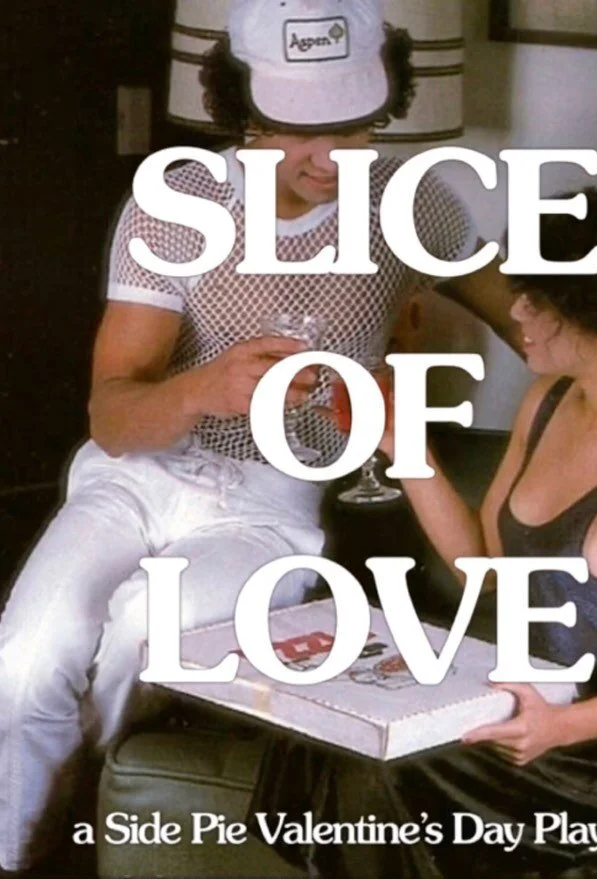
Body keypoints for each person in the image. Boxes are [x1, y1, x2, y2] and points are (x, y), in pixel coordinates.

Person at [0, 0, 519, 871]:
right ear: (244, 108)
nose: (332, 157)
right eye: (300, 128)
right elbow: (112, 418)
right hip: (137, 476)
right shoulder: (180, 205)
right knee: (26, 657)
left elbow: (535, 320)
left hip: (269, 509)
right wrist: (206, 387)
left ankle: (54, 834)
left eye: (353, 125)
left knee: (138, 632)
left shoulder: (411, 202)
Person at [249, 188, 597, 878]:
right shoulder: (549, 399)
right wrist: (403, 444)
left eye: (535, 297)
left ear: (595, 309)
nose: (516, 311)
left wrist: (560, 727)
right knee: (324, 732)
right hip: (528, 699)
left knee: (380, 774)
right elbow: (483, 568)